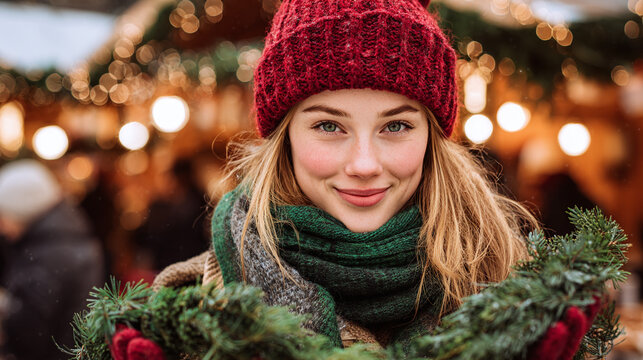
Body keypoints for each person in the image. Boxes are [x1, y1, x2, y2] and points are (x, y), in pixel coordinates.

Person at [0, 159, 104, 359]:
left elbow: (29, 332)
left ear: (23, 211)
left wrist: (7, 311)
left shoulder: (49, 253)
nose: (2, 228)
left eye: (4, 217)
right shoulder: (64, 239)